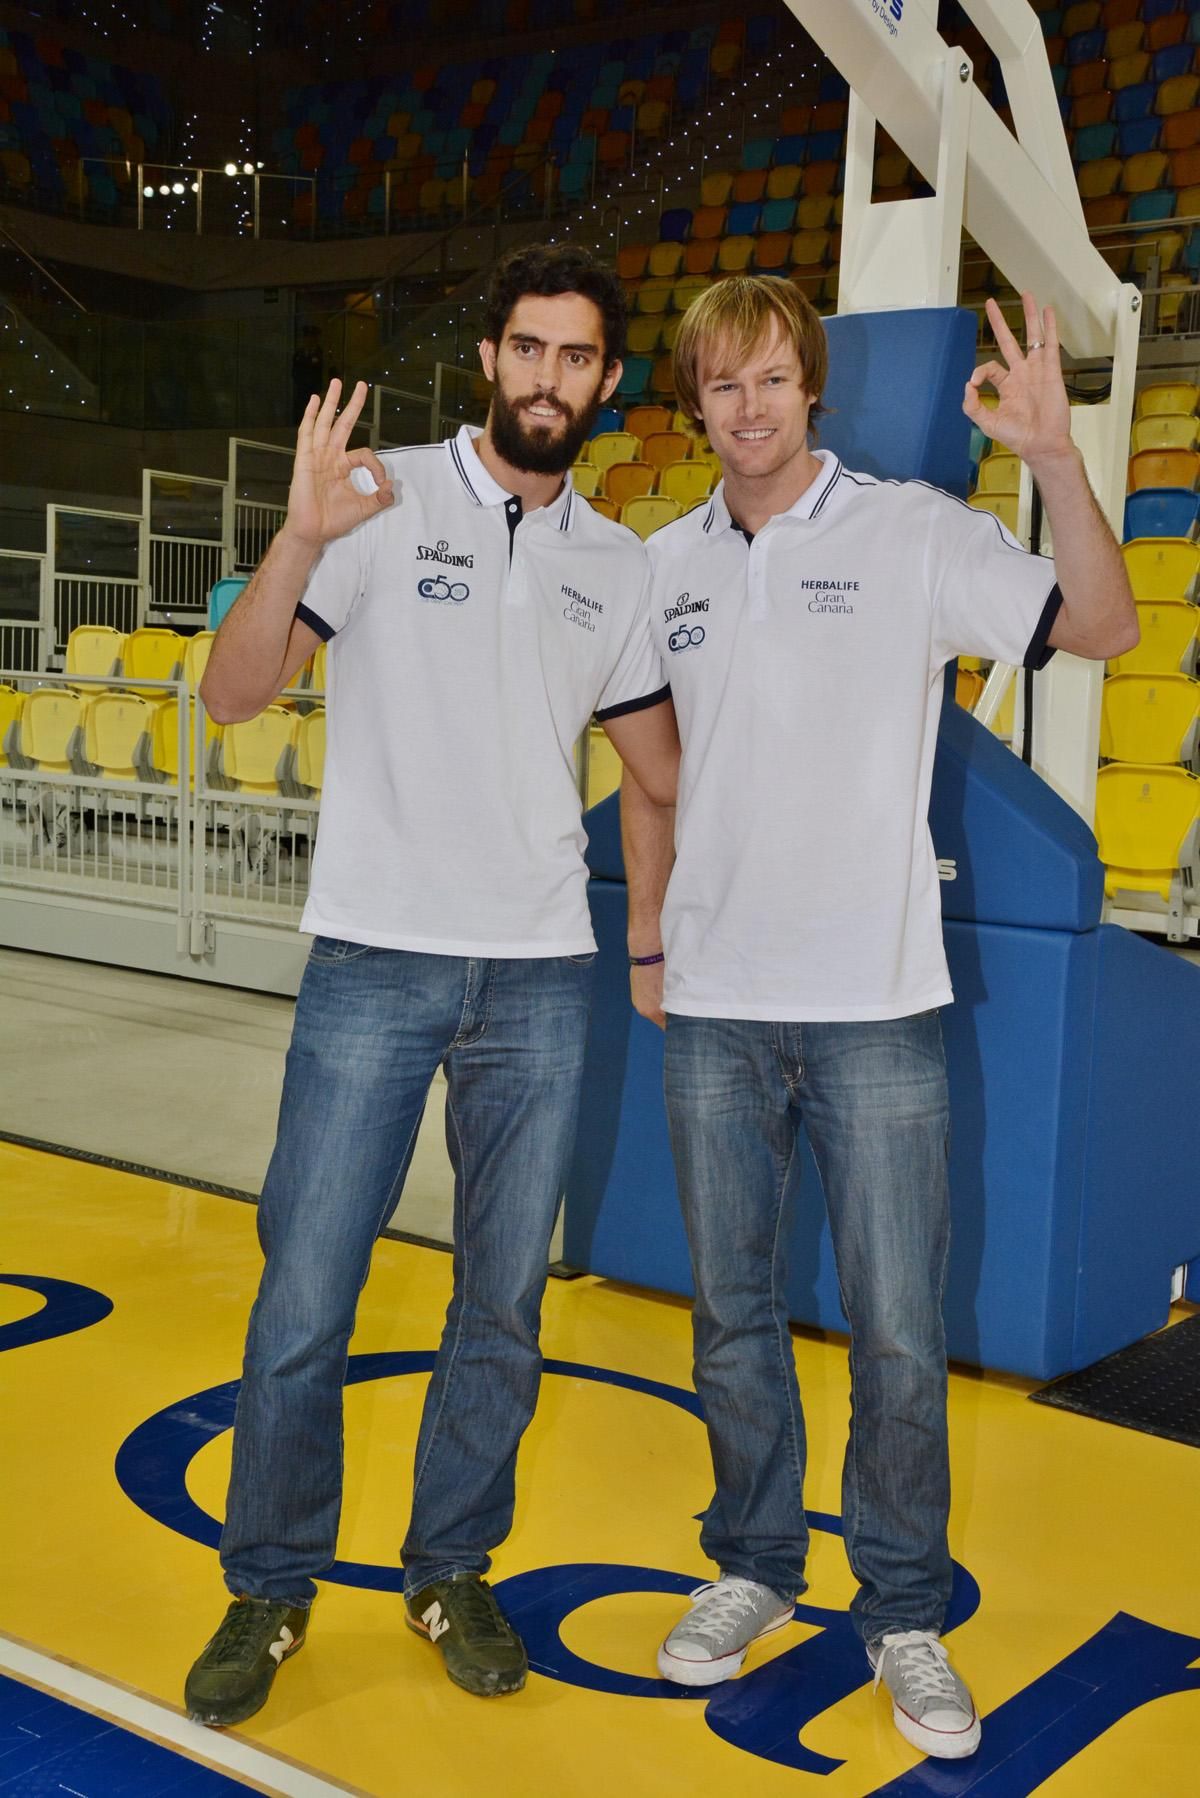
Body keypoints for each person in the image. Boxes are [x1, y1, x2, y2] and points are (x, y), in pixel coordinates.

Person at [621, 277, 1136, 1760]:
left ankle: (903, 1603)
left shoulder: (909, 531)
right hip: (716, 1005)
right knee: (733, 1317)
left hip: (875, 1006)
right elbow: (654, 774)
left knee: (903, 1330)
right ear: (697, 401)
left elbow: (1099, 624)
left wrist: (1052, 457)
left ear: (813, 386)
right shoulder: (666, 565)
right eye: (721, 385)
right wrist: (651, 938)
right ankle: (754, 1563)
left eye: (773, 377)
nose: (750, 406)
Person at [184, 243, 678, 1726]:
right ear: (488, 359)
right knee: (307, 1293)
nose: (548, 378)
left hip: (540, 976)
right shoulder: (377, 501)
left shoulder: (618, 561)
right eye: (527, 349)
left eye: (577, 357)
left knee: (503, 1305)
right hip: (377, 957)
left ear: (604, 380)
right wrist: (293, 536)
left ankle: (450, 1562)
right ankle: (270, 1584)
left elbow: (657, 770)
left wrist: (657, 936)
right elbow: (232, 691)